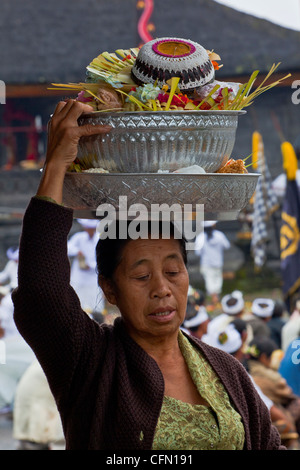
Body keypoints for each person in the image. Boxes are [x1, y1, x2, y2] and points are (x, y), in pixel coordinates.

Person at [12, 99, 284, 450]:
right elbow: (40, 295)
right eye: (141, 277)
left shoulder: (225, 370)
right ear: (109, 288)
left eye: (173, 270)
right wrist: (57, 167)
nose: (162, 289)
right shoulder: (89, 361)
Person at [68, 218, 104, 313]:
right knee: (78, 300)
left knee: (94, 303)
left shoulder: (99, 239)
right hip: (79, 277)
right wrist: (77, 251)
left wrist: (90, 266)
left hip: (93, 277)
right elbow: (68, 247)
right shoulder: (79, 237)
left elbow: (103, 257)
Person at [195, 221, 230, 306]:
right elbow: (227, 246)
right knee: (217, 280)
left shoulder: (201, 238)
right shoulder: (219, 235)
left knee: (209, 280)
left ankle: (214, 299)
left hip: (206, 263)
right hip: (218, 262)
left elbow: (197, 252)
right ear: (213, 225)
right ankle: (215, 298)